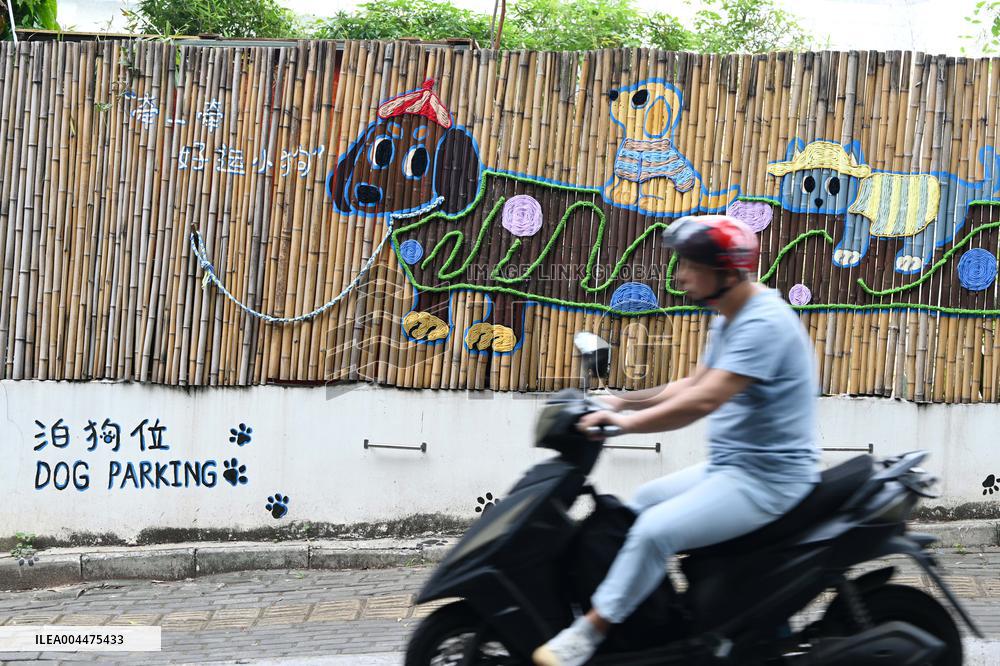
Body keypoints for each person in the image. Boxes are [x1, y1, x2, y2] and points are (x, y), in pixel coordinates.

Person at [532, 215, 821, 666]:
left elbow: (702, 401)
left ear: (724, 272)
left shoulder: (764, 323)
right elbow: (692, 383)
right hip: (734, 468)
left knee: (653, 531)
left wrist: (622, 426)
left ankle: (589, 634)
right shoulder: (731, 317)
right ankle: (670, 624)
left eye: (690, 266)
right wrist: (622, 401)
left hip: (769, 479)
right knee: (641, 503)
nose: (681, 276)